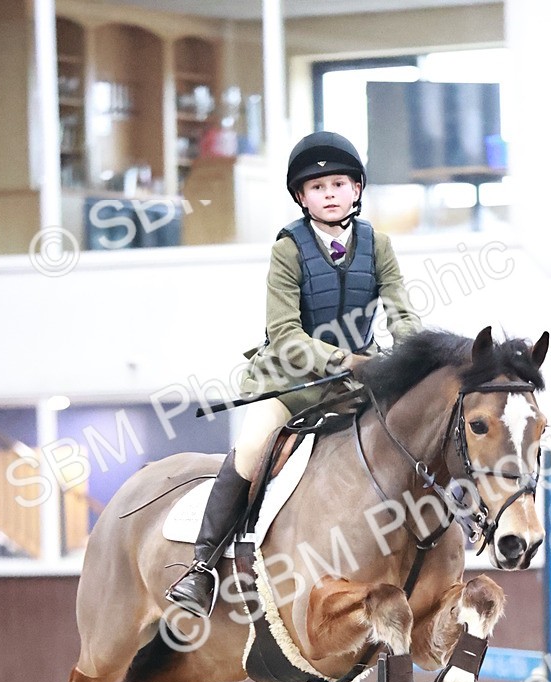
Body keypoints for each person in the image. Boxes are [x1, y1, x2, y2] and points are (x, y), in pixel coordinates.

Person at [166, 131, 422, 617]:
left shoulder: (378, 245)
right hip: (289, 385)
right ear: (301, 197)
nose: (328, 193)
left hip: (353, 389)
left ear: (356, 190)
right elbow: (284, 333)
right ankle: (201, 569)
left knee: (414, 431)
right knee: (251, 450)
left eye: (338, 184)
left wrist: (414, 355)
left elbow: (401, 313)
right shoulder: (288, 249)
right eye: (317, 187)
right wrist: (347, 361)